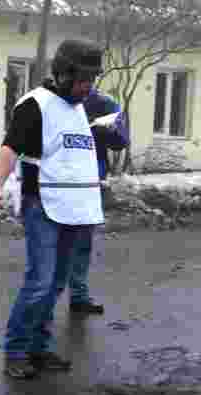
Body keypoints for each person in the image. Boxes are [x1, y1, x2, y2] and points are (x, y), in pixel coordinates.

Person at [0, 39, 105, 379]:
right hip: (44, 206)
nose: (87, 87)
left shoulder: (79, 108)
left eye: (92, 80)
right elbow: (10, 149)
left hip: (76, 209)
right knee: (39, 281)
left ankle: (39, 347)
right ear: (63, 74)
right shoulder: (35, 104)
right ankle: (16, 351)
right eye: (82, 79)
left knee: (56, 284)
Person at [62, 88, 129, 315]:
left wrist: (106, 130)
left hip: (91, 179)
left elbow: (121, 141)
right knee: (54, 240)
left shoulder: (105, 103)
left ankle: (78, 296)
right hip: (58, 178)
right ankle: (45, 300)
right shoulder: (54, 99)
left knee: (82, 240)